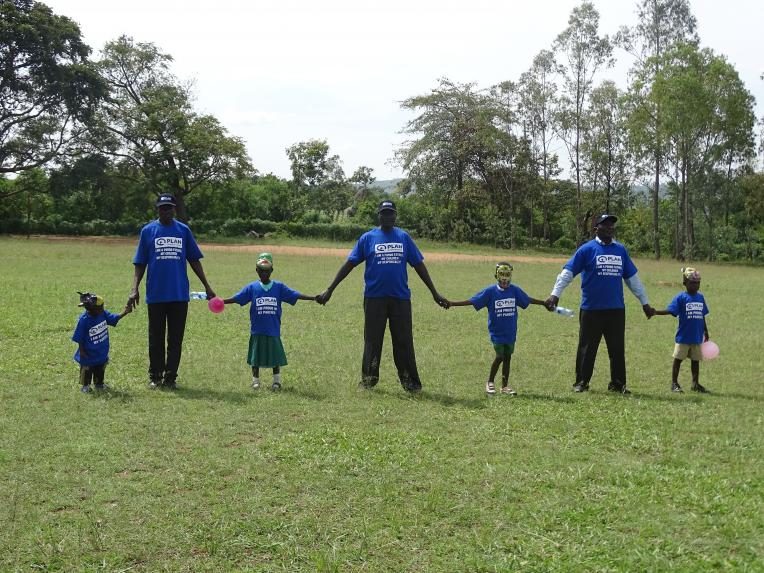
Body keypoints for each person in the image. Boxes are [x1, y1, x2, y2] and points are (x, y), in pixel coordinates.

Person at [316, 199, 448, 393]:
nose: (388, 216)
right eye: (384, 213)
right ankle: (368, 380)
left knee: (403, 340)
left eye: (391, 213)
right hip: (374, 299)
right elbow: (350, 264)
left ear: (395, 215)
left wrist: (434, 292)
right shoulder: (368, 238)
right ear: (379, 215)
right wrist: (330, 289)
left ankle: (410, 382)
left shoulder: (404, 238)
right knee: (372, 340)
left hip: (400, 299)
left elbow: (419, 265)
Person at [544, 214, 654, 394]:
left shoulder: (620, 250)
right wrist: (555, 295)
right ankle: (581, 382)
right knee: (587, 348)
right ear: (596, 229)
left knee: (617, 349)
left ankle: (618, 384)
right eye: (605, 225)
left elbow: (633, 280)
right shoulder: (586, 250)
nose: (610, 228)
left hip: (616, 310)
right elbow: (567, 272)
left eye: (612, 225)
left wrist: (645, 303)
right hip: (591, 310)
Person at [127, 193, 215, 389]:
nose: (166, 211)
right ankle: (155, 376)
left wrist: (207, 286)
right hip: (156, 294)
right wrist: (134, 289)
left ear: (174, 209)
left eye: (169, 207)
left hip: (178, 294)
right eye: (162, 207)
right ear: (157, 209)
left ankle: (170, 377)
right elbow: (140, 262)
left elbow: (194, 259)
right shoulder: (148, 231)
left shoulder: (183, 231)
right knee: (155, 338)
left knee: (175, 339)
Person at [447, 262, 545, 396]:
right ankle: (490, 382)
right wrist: (452, 303)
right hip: (497, 333)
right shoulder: (490, 292)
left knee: (508, 357)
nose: (504, 278)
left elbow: (527, 299)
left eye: (507, 275)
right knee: (500, 356)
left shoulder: (515, 290)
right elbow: (473, 301)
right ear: (496, 276)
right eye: (502, 275)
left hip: (510, 332)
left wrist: (544, 303)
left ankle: (504, 386)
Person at [222, 253, 315, 391]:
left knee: (275, 356)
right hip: (257, 329)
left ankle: (276, 381)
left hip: (273, 329)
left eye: (267, 270)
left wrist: (314, 298)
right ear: (256, 270)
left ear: (272, 270)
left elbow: (295, 295)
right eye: (261, 270)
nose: (264, 273)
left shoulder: (279, 287)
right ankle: (255, 381)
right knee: (255, 356)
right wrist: (221, 301)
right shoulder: (252, 288)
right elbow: (237, 298)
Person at [651, 267, 710, 393]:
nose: (695, 285)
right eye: (692, 283)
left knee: (695, 361)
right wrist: (656, 312)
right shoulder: (681, 298)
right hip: (683, 337)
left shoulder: (700, 298)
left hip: (696, 336)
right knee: (678, 359)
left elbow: (702, 315)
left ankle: (695, 384)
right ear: (685, 283)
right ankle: (674, 383)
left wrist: (705, 331)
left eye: (698, 283)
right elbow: (671, 310)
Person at [72, 292, 131, 393]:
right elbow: (79, 337)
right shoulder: (84, 320)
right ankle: (85, 386)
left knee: (100, 368)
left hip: (101, 350)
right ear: (92, 309)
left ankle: (99, 384)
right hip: (88, 353)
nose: (103, 308)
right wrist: (82, 351)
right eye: (101, 307)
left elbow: (113, 318)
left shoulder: (102, 314)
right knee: (86, 369)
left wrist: (125, 312)